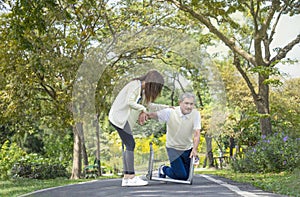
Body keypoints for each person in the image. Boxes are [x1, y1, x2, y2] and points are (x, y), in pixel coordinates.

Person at [108, 70, 164, 187]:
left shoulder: (141, 91)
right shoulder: (135, 85)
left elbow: (150, 105)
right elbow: (130, 102)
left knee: (129, 145)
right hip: (118, 117)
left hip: (120, 118)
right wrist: (142, 109)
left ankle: (127, 178)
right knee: (130, 144)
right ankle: (131, 177)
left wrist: (168, 107)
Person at [145, 92, 201, 180]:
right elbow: (152, 115)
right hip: (173, 148)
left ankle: (167, 170)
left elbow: (197, 133)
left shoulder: (196, 114)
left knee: (187, 176)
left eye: (191, 104)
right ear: (180, 103)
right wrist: (144, 114)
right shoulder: (170, 112)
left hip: (187, 148)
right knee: (181, 176)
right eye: (186, 103)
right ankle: (163, 169)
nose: (189, 106)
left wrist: (194, 150)